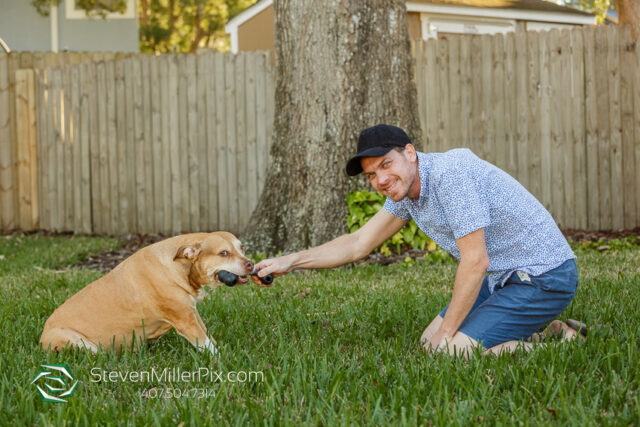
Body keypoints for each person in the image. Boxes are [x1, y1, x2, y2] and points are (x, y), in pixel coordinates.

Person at [253, 123, 581, 356]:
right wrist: (290, 262)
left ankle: (561, 345)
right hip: (503, 277)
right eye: (371, 174)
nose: (381, 179)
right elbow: (357, 244)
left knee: (449, 352)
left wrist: (447, 333)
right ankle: (548, 330)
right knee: (429, 344)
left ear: (409, 153)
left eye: (386, 165)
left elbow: (475, 261)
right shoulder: (406, 192)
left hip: (543, 277)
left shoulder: (450, 175)